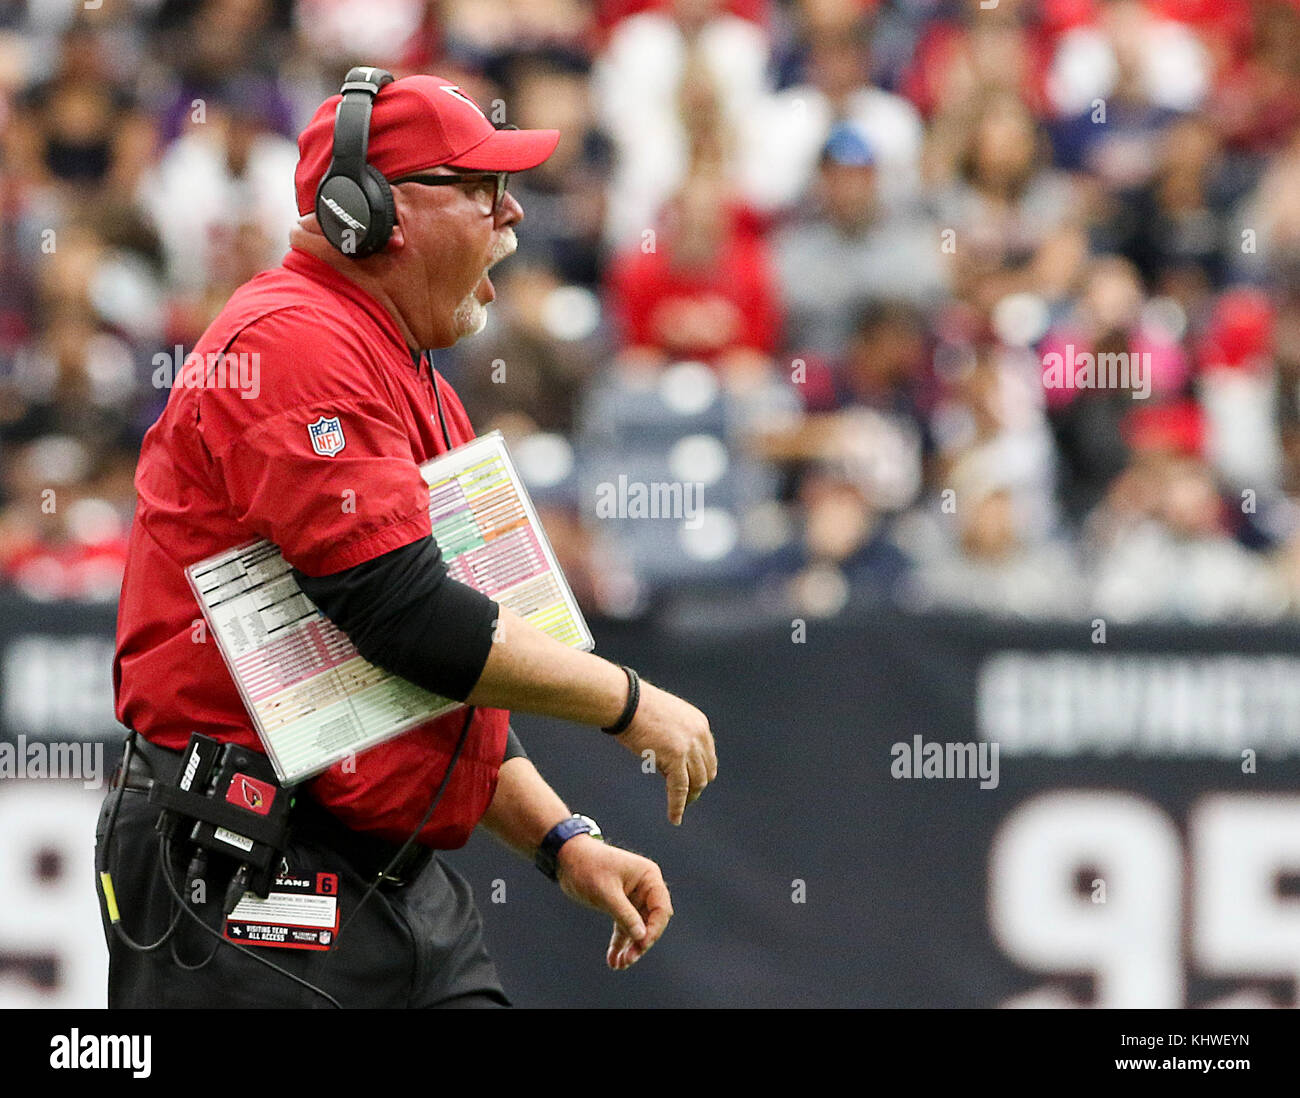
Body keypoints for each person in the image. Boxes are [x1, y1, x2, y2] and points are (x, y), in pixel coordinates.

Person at [97, 69, 717, 1008]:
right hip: (245, 867)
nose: (510, 220)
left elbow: (444, 683)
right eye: (481, 190)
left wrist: (561, 842)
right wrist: (630, 704)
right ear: (371, 212)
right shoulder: (292, 342)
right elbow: (409, 619)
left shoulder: (419, 383)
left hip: (381, 874)